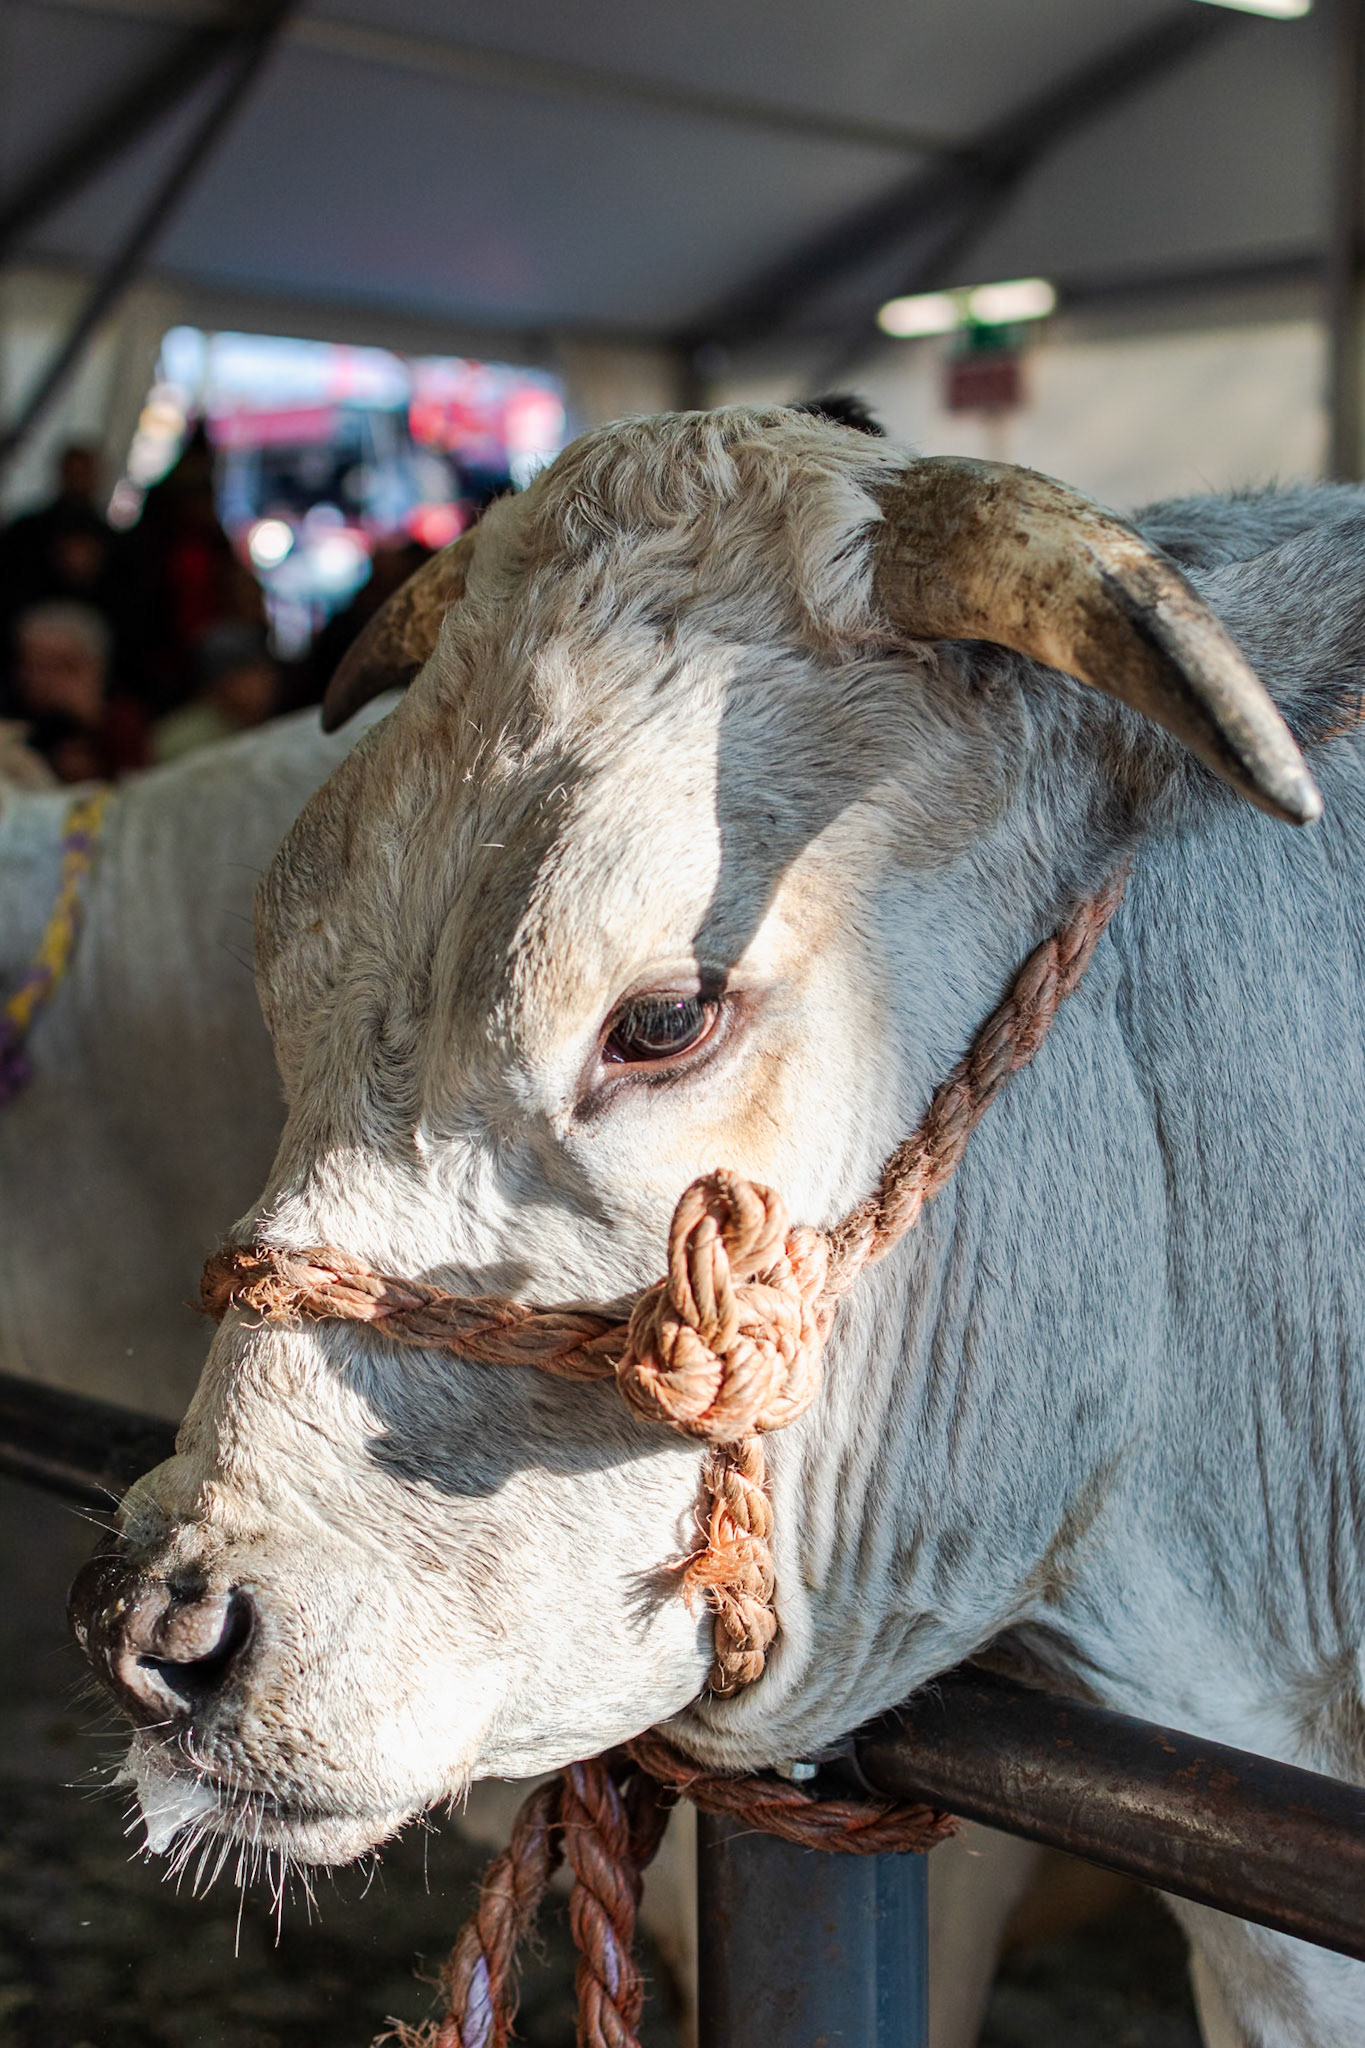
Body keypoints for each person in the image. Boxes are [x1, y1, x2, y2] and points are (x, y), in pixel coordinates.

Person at [6, 600, 146, 782]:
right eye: (33, 666)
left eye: (61, 666)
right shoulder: (11, 718)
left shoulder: (120, 719)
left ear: (96, 668)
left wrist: (91, 725)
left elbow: (135, 779)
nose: (42, 680)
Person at [152, 622, 281, 764]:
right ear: (219, 683)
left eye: (265, 671)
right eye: (249, 673)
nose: (265, 682)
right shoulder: (183, 738)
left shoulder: (273, 722)